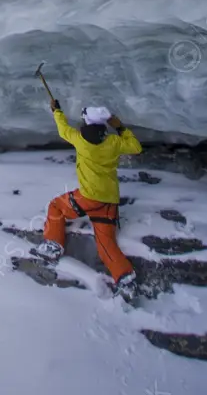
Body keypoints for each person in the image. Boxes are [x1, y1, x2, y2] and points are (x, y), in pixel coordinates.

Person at [32, 100, 142, 298]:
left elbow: (63, 130)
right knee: (106, 244)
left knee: (56, 206)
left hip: (87, 198)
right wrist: (120, 127)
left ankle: (53, 244)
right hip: (109, 201)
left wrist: (57, 111)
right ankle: (125, 277)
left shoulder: (79, 139)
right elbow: (135, 147)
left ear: (87, 123)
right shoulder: (113, 142)